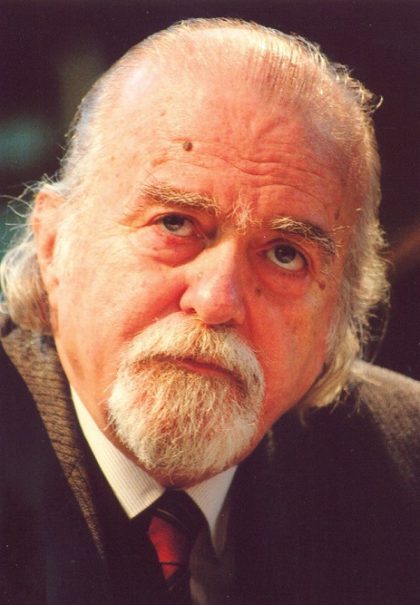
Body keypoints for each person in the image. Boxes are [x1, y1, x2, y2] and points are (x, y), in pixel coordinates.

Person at [0, 18, 419, 605]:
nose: (218, 301)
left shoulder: (405, 465)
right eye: (175, 223)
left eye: (285, 254)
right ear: (53, 244)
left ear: (337, 317)